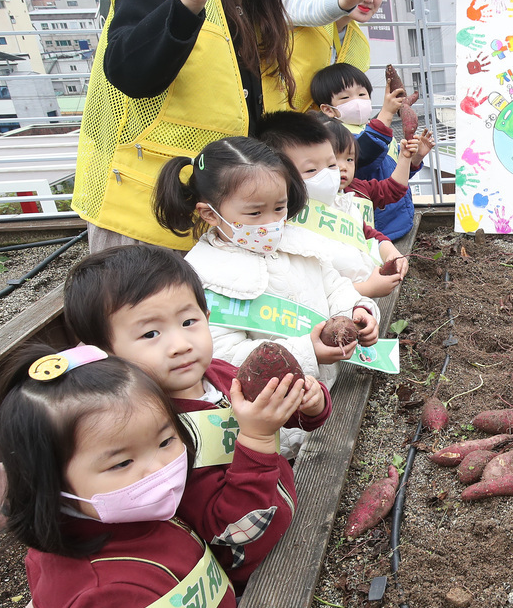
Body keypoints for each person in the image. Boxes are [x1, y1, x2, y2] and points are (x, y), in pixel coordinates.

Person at [0, 345, 307, 608]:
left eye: (165, 440)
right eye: (122, 462)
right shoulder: (98, 594)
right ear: (49, 484)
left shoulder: (133, 514)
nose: (160, 467)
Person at [71, 0, 373, 253]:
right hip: (144, 219)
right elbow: (129, 73)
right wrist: (189, 2)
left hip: (224, 217)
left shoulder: (258, 7)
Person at [63, 246, 331, 588]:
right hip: (247, 571)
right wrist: (258, 439)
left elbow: (295, 417)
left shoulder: (219, 374)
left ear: (206, 315)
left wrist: (309, 403)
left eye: (189, 321)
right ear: (104, 352)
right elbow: (229, 530)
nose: (180, 344)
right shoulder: (149, 432)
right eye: (150, 334)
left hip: (285, 522)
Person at [152, 135, 379, 393]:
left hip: (332, 388)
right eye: (255, 212)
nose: (271, 222)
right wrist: (307, 353)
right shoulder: (201, 277)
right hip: (276, 410)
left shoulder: (300, 243)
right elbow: (224, 356)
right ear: (209, 214)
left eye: (279, 208)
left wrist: (357, 312)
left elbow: (336, 287)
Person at [257, 110, 415, 298]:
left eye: (331, 165)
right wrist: (366, 289)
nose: (330, 174)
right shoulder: (282, 228)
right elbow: (307, 292)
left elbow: (366, 233)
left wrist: (390, 253)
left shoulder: (342, 201)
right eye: (311, 169)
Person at [263, 0, 391, 112]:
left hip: (312, 134)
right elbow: (309, 5)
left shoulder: (359, 46)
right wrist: (345, 0)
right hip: (268, 125)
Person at [311, 63, 418, 241]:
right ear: (328, 110)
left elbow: (394, 168)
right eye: (346, 97)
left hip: (400, 218)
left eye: (362, 94)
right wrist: (386, 113)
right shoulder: (337, 138)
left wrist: (415, 157)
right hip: (377, 228)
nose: (357, 101)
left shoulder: (376, 130)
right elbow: (366, 154)